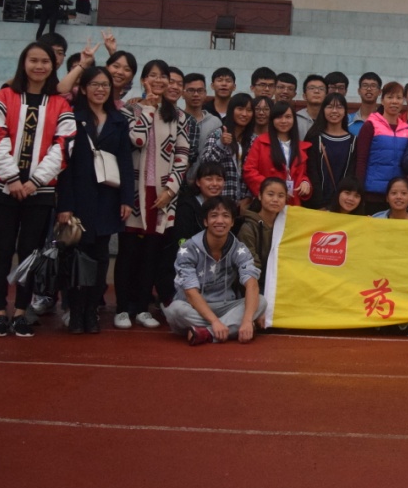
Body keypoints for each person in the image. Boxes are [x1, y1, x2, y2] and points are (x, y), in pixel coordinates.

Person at [0, 42, 74, 338]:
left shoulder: (60, 103)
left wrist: (35, 181)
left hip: (40, 191)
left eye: (45, 61)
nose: (39, 66)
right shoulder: (4, 96)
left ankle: (22, 311)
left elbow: (63, 145)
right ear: (23, 63)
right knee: (2, 249)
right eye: (33, 60)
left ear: (52, 66)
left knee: (30, 252)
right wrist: (12, 178)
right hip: (2, 187)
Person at [55, 66, 136, 335]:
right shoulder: (72, 117)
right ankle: (75, 311)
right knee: (77, 256)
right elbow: (64, 165)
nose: (100, 89)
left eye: (105, 85)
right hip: (78, 197)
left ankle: (92, 310)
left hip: (107, 198)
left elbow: (125, 163)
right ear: (83, 88)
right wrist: (65, 205)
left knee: (101, 257)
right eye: (94, 84)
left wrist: (126, 199)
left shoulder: (118, 120)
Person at [118, 59, 191, 330]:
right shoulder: (130, 110)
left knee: (152, 253)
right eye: (152, 76)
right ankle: (122, 308)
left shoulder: (178, 116)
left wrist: (170, 189)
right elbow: (137, 140)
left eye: (163, 77)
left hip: (162, 194)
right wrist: (148, 109)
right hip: (134, 192)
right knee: (128, 252)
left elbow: (182, 155)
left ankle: (141, 308)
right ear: (143, 80)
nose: (159, 81)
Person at [163, 196, 265, 345]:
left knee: (261, 302)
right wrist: (215, 322)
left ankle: (206, 334)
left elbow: (251, 284)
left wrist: (248, 320)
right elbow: (190, 292)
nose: (220, 221)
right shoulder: (189, 248)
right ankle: (229, 327)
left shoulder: (239, 249)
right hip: (194, 306)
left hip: (225, 305)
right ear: (205, 221)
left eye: (226, 216)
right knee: (175, 310)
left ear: (232, 222)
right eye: (214, 216)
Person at [355, 81, 408, 211]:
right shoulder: (370, 125)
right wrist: (359, 189)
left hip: (397, 195)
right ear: (382, 100)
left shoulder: (407, 129)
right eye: (390, 97)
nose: (394, 101)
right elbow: (361, 159)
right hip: (372, 194)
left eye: (398, 98)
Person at [243, 101, 312, 204]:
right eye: (279, 117)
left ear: (294, 119)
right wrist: (273, 189)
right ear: (272, 120)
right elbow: (249, 171)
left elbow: (304, 174)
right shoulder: (260, 142)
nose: (283, 121)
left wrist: (305, 183)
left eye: (288, 117)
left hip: (293, 202)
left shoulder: (301, 146)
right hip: (268, 201)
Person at [199, 92, 255, 212]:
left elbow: (256, 170)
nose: (244, 114)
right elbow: (205, 163)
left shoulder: (254, 140)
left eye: (249, 110)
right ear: (231, 110)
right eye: (240, 109)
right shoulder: (217, 134)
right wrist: (221, 144)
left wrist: (249, 197)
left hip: (246, 205)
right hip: (220, 201)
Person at [304, 93, 357, 210]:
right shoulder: (314, 137)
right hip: (316, 205)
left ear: (345, 111)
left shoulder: (353, 141)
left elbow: (351, 173)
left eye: (339, 107)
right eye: (329, 106)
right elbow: (311, 172)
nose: (334, 111)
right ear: (323, 110)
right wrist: (319, 203)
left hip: (342, 206)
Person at [236, 177, 288, 290]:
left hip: (282, 283)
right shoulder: (248, 227)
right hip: (256, 284)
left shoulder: (287, 226)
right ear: (260, 196)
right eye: (270, 194)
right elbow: (251, 264)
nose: (275, 199)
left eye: (281, 196)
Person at [181, 73, 223, 180]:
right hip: (178, 180)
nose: (196, 94)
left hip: (205, 182)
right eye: (191, 90)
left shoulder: (215, 123)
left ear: (205, 93)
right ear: (182, 94)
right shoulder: (177, 119)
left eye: (200, 90)